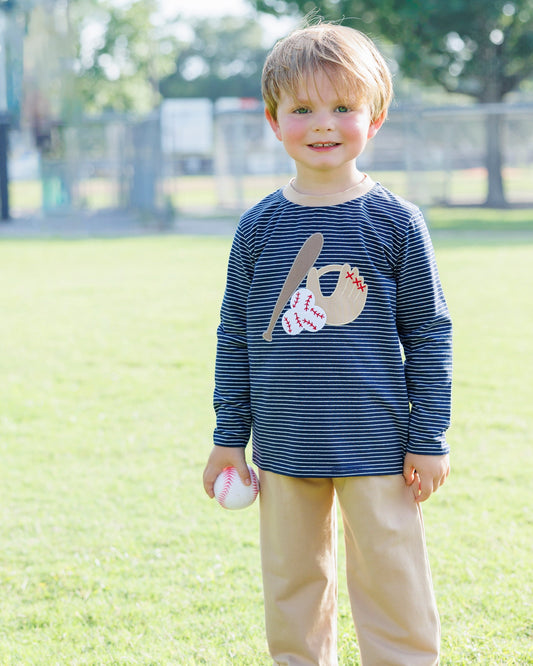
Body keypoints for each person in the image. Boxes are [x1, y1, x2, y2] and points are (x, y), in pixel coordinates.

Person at [203, 22, 452, 666]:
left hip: (379, 441)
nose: (323, 124)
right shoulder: (259, 227)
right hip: (284, 439)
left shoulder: (395, 222)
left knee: (393, 576)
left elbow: (429, 335)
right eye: (302, 109)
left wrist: (428, 436)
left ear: (375, 119)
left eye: (343, 107)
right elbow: (235, 338)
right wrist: (229, 437)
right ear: (273, 120)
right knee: (292, 582)